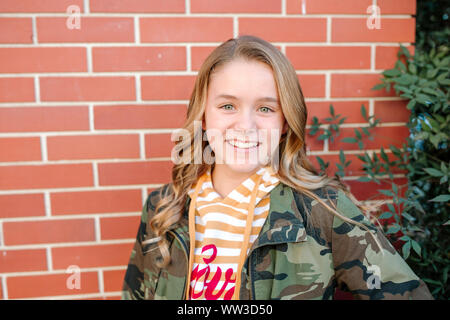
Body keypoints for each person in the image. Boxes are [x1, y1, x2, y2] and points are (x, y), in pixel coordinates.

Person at [121, 35, 433, 300]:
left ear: (285, 122)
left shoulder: (323, 210)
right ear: (203, 115)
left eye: (266, 108)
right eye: (227, 105)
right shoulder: (164, 208)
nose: (246, 126)